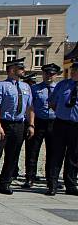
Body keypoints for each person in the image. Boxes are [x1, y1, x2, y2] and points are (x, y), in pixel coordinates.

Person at [0, 58, 34, 195]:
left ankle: (5, 183)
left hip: (19, 124)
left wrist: (31, 125)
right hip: (3, 123)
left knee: (13, 156)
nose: (24, 70)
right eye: (21, 68)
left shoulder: (26, 87)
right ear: (12, 70)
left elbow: (30, 107)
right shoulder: (1, 86)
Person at [24, 63, 60, 189]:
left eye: (52, 74)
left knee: (53, 152)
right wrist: (31, 124)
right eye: (47, 73)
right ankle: (30, 177)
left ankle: (51, 179)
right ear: (43, 74)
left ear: (56, 75)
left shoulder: (59, 89)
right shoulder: (34, 89)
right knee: (32, 151)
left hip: (55, 123)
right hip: (38, 122)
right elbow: (30, 107)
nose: (49, 76)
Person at [46, 60, 78, 196]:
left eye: (76, 70)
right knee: (56, 154)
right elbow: (52, 103)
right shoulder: (62, 85)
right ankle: (52, 185)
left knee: (74, 156)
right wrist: (62, 112)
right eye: (73, 70)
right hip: (61, 123)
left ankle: (70, 184)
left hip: (76, 126)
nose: (73, 72)